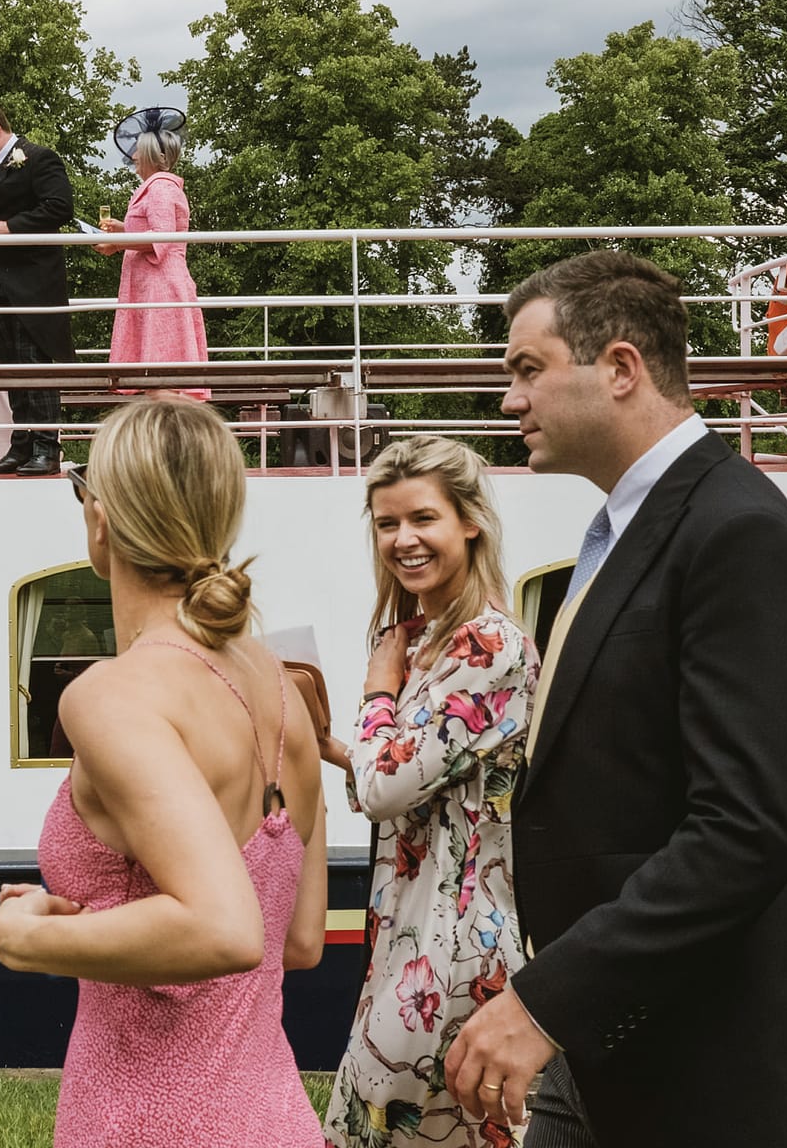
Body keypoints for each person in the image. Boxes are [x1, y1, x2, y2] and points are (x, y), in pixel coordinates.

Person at [444, 250, 787, 1144]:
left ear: (619, 368)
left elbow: (746, 827)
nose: (508, 401)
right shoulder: (633, 530)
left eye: (527, 370)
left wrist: (548, 1002)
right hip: (619, 1042)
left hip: (722, 1069)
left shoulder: (739, 535)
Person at [0, 399, 327, 1146]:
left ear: (100, 517)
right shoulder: (281, 689)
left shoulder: (111, 696)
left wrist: (22, 938)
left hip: (150, 1121)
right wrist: (91, 913)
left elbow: (222, 927)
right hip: (273, 1116)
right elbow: (295, 940)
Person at [318, 435, 536, 1148]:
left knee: (381, 1128)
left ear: (469, 521)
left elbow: (384, 789)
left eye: (422, 519)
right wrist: (334, 748)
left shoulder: (486, 646)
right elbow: (405, 786)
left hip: (454, 944)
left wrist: (378, 688)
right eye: (387, 524)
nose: (403, 540)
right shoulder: (430, 640)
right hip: (410, 935)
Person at [0, 102, 75, 476]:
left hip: (30, 280)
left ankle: (47, 447)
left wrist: (12, 227)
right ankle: (20, 445)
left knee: (35, 363)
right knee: (10, 364)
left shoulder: (40, 158)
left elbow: (60, 207)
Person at [95, 109, 209, 400]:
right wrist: (123, 229)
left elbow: (161, 237)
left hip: (160, 289)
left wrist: (119, 243)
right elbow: (155, 230)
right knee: (159, 363)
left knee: (162, 364)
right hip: (155, 286)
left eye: (137, 152)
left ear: (148, 156)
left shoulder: (159, 189)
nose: (132, 157)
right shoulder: (160, 189)